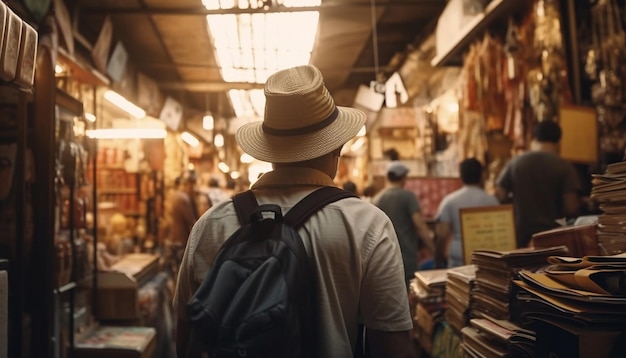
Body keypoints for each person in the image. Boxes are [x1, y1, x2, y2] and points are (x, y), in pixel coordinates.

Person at [173, 65, 416, 358]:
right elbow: (392, 347)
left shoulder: (210, 225)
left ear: (269, 149)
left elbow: (186, 335)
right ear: (336, 146)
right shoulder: (367, 225)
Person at [495, 120, 582, 248]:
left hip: (521, 237)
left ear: (534, 138)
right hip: (553, 237)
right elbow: (571, 207)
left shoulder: (516, 163)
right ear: (558, 141)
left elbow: (499, 195)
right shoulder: (565, 167)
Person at [372, 162, 434, 285]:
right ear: (403, 178)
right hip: (406, 259)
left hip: (384, 260)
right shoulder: (408, 197)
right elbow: (420, 226)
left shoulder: (376, 199)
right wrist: (433, 250)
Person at [434, 158, 499, 268]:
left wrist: (437, 262)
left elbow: (441, 235)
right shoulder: (492, 201)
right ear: (482, 175)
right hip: (487, 257)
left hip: (458, 257)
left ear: (461, 176)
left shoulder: (450, 201)